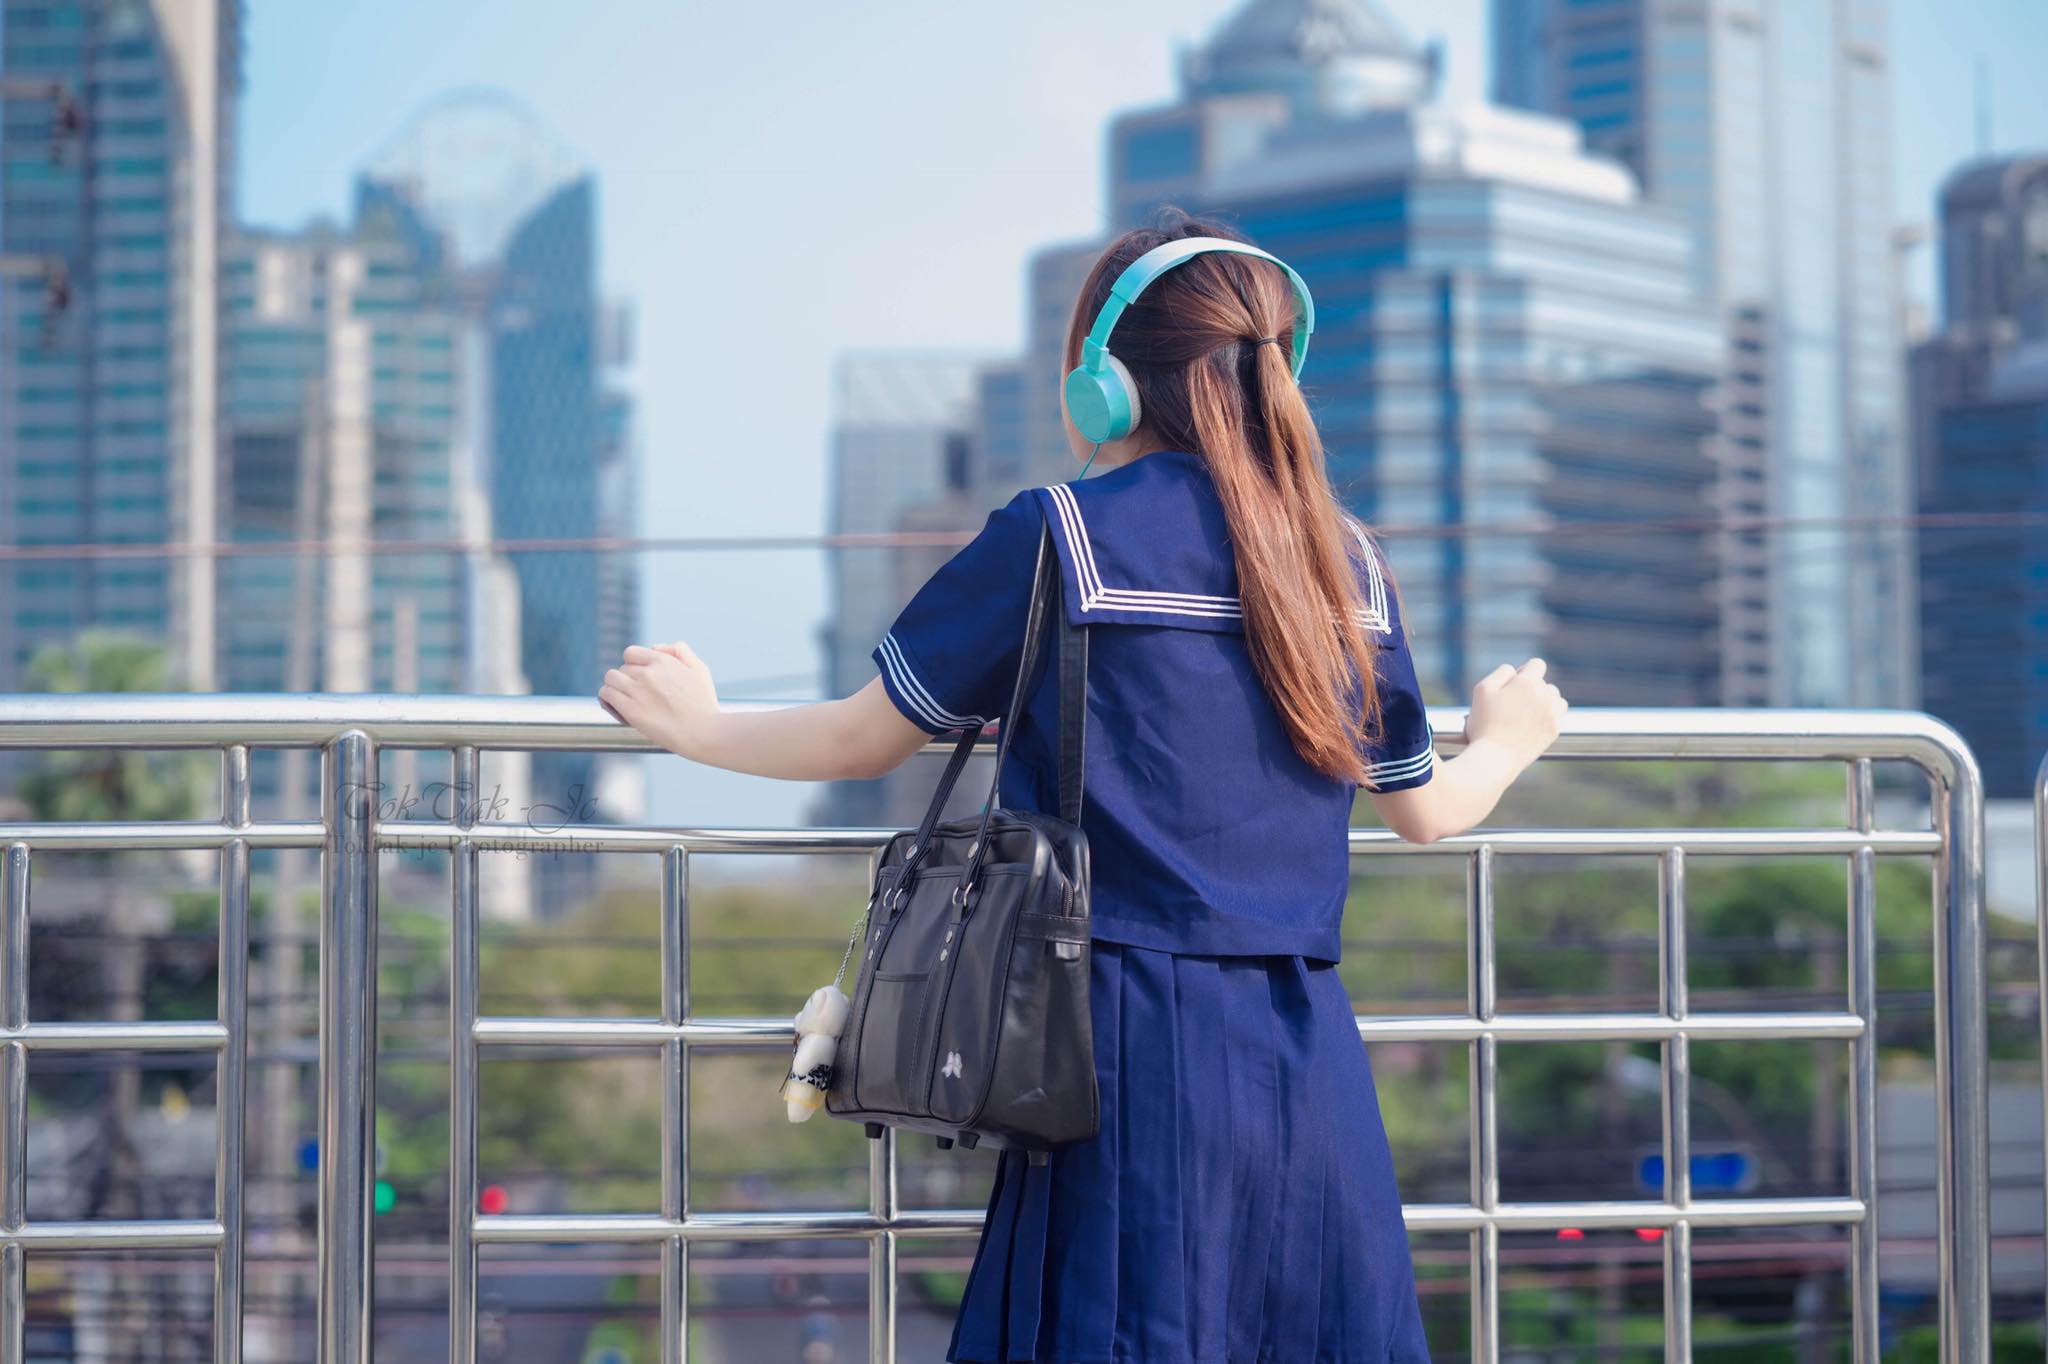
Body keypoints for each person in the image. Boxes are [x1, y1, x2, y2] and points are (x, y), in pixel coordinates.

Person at [600, 207, 1567, 1364]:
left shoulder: (1059, 534)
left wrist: (697, 725)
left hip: (1106, 1040)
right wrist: (1507, 737)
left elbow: (865, 739)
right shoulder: (1342, 562)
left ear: (1102, 382)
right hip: (1303, 1050)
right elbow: (1427, 809)